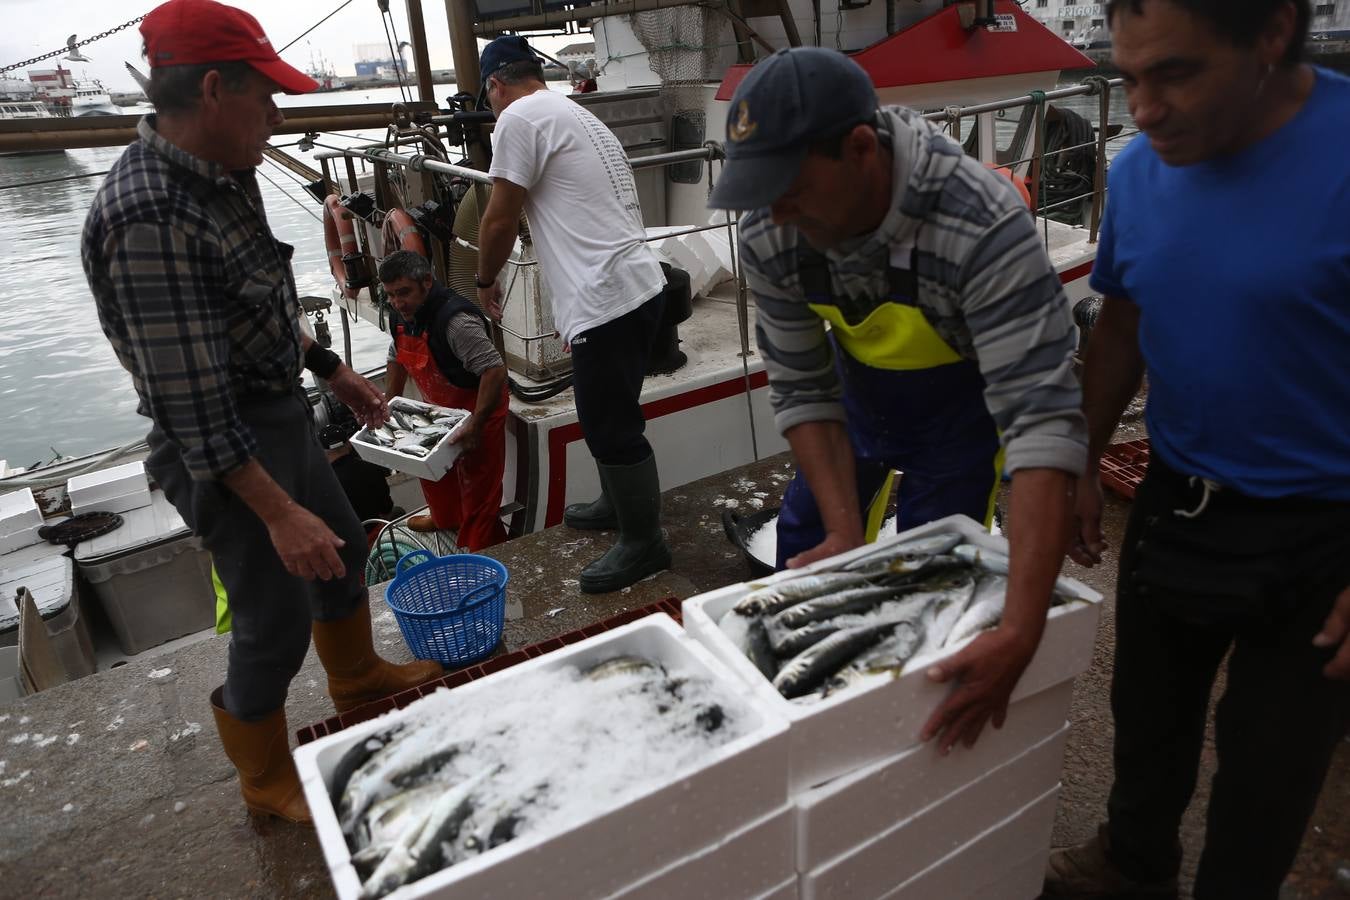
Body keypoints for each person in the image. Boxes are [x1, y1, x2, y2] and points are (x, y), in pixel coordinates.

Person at [80, 0, 442, 824]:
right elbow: (194, 408)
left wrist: (330, 370)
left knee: (345, 547)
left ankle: (353, 679)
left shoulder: (225, 164)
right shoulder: (148, 218)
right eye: (266, 95)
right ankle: (265, 779)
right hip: (221, 449)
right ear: (213, 89)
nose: (277, 114)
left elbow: (263, 303)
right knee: (271, 614)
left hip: (278, 411)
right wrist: (277, 513)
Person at [1044, 0, 1350, 897]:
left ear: (1270, 34)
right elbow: (1121, 326)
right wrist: (1079, 462)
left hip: (1323, 534)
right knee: (1145, 721)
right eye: (1129, 79)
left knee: (1268, 773)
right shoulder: (1141, 171)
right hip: (1181, 500)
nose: (1142, 109)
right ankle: (1133, 866)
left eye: (1175, 73)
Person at [707, 47, 1087, 754]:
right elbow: (802, 381)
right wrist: (845, 537)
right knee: (809, 550)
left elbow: (1041, 421)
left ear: (860, 149)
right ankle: (811, 737)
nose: (774, 214)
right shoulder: (772, 226)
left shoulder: (980, 223)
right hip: (858, 398)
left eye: (787, 187)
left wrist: (1022, 628)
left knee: (935, 581)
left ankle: (911, 747)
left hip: (964, 408)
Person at [474, 35, 671, 594]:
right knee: (610, 410)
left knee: (608, 421)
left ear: (495, 84)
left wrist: (486, 282)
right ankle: (616, 504)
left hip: (606, 294)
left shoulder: (516, 119)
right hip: (639, 281)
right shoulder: (570, 110)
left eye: (488, 95)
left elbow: (498, 220)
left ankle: (644, 543)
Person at [380, 250, 509, 551]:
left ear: (427, 282)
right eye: (391, 295)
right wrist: (389, 404)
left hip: (480, 410)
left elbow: (494, 370)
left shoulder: (456, 321)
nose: (398, 303)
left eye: (404, 293)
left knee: (479, 493)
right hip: (440, 411)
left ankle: (481, 552)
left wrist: (476, 425)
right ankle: (445, 519)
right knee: (432, 474)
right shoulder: (401, 315)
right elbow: (396, 357)